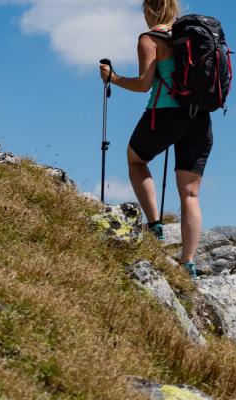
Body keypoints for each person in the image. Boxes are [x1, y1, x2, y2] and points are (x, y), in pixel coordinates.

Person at [98, 0, 211, 275]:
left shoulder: (150, 38)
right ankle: (188, 262)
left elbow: (143, 84)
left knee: (135, 160)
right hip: (200, 118)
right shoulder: (196, 37)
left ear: (148, 10)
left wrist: (112, 77)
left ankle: (155, 227)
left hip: (164, 115)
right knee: (190, 194)